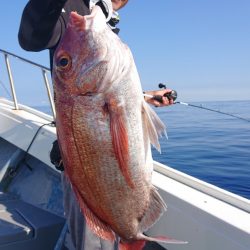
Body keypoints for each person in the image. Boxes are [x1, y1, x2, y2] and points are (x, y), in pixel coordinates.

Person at [18, 1, 174, 249]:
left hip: (98, 156)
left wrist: (144, 98)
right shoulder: (73, 11)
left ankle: (129, 235)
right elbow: (32, 37)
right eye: (65, 63)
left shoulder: (101, 19)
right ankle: (128, 234)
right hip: (90, 171)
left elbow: (103, 92)